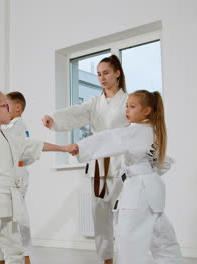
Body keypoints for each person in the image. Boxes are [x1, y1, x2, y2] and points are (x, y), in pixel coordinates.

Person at [0, 90, 77, 264]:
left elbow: (35, 145)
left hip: (8, 199)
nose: (8, 109)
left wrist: (64, 148)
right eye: (5, 106)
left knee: (15, 251)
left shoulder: (8, 135)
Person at [74, 90, 182, 263]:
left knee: (129, 241)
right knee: (163, 241)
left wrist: (78, 147)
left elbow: (110, 138)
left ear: (146, 111)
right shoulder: (154, 131)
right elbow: (163, 163)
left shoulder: (136, 131)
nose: (127, 110)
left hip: (138, 191)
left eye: (132, 107)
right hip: (153, 190)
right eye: (126, 106)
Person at [42, 55, 128, 264]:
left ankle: (128, 257)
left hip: (124, 164)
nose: (101, 78)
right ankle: (107, 259)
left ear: (117, 73)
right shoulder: (94, 103)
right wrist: (54, 118)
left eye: (106, 73)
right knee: (100, 215)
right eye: (98, 74)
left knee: (126, 214)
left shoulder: (129, 101)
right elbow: (76, 112)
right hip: (99, 165)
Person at [0, 91, 33, 264]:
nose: (3, 110)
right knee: (3, 218)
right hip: (9, 177)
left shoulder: (16, 125)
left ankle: (24, 257)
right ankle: (2, 257)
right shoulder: (11, 126)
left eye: (6, 106)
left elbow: (3, 135)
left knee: (18, 219)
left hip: (17, 179)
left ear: (17, 108)